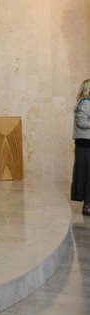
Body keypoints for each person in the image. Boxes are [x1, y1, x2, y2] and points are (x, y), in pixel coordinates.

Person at [72, 80, 90, 215]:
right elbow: (82, 123)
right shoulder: (84, 103)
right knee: (86, 175)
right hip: (85, 144)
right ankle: (87, 205)